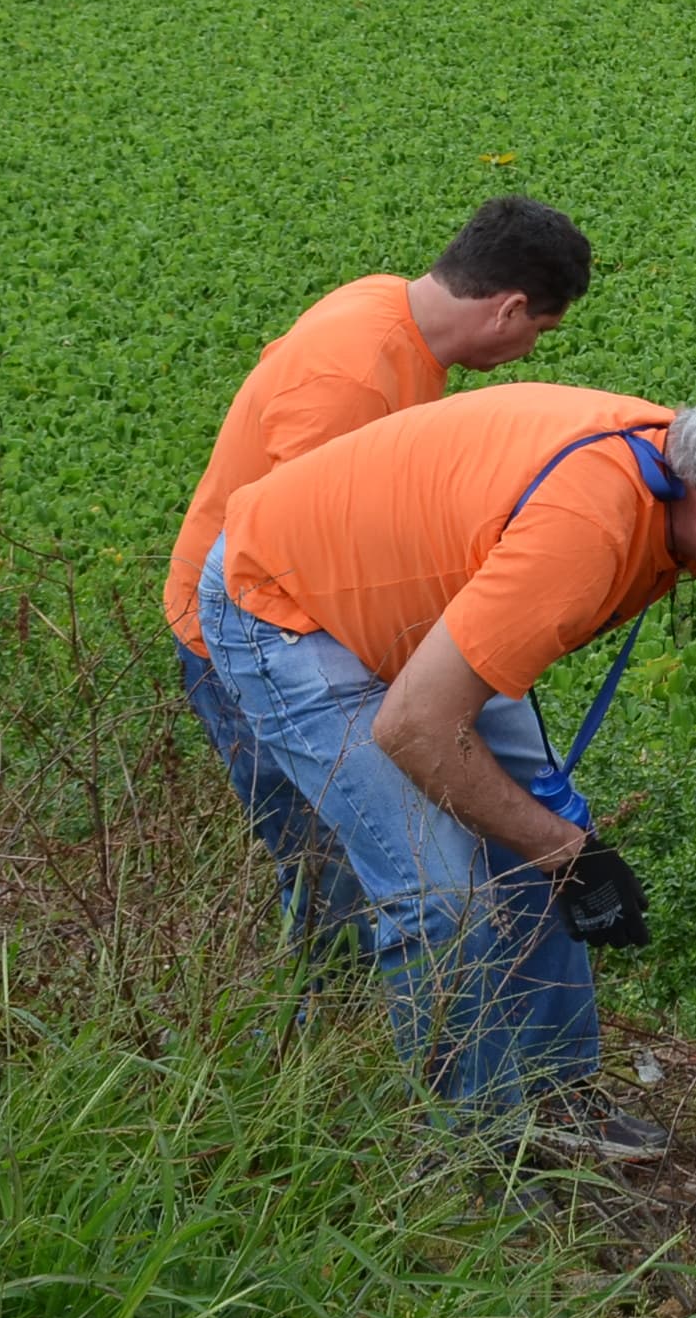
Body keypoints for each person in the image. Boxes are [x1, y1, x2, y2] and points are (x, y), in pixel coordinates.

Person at [196, 375, 696, 1147]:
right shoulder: (586, 534)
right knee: (443, 898)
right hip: (287, 608)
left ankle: (560, 1100)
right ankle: (473, 1155)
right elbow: (414, 728)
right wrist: (567, 855)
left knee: (547, 840)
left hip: (429, 620)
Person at [161, 198, 593, 938]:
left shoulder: (385, 307)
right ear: (509, 309)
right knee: (331, 857)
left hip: (321, 632)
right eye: (540, 332)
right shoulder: (353, 379)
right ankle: (318, 1024)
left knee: (381, 853)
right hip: (255, 641)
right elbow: (294, 556)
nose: (530, 352)